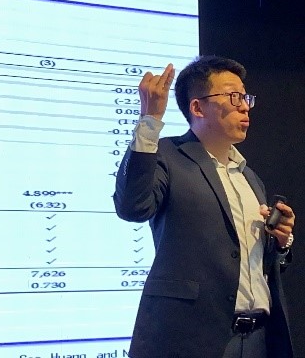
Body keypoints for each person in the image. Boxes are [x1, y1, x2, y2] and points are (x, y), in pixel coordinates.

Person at [114, 56, 295, 358]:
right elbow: (132, 207)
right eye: (234, 97)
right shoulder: (168, 155)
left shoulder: (250, 178)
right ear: (198, 108)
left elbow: (255, 265)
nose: (245, 106)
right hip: (192, 339)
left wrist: (281, 243)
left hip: (258, 340)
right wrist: (149, 121)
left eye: (246, 97)